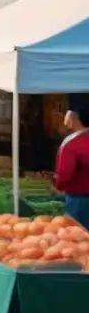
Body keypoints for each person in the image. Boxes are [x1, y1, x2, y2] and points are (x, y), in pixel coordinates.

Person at [55, 97, 89, 227]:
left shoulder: (71, 144)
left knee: (79, 238)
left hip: (79, 201)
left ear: (74, 118)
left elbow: (64, 176)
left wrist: (58, 185)